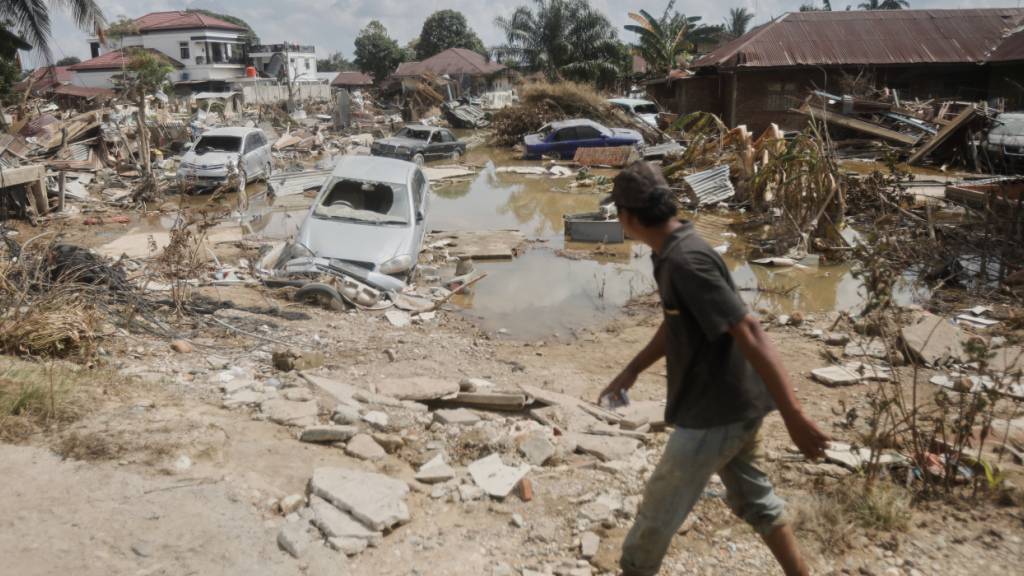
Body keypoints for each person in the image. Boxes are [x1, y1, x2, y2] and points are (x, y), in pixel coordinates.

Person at [598, 162, 830, 576]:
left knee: (658, 508)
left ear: (628, 216)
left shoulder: (686, 261)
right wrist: (632, 369)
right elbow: (676, 321)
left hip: (714, 414)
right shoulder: (671, 251)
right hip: (737, 405)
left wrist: (794, 415)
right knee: (756, 501)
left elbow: (750, 329)